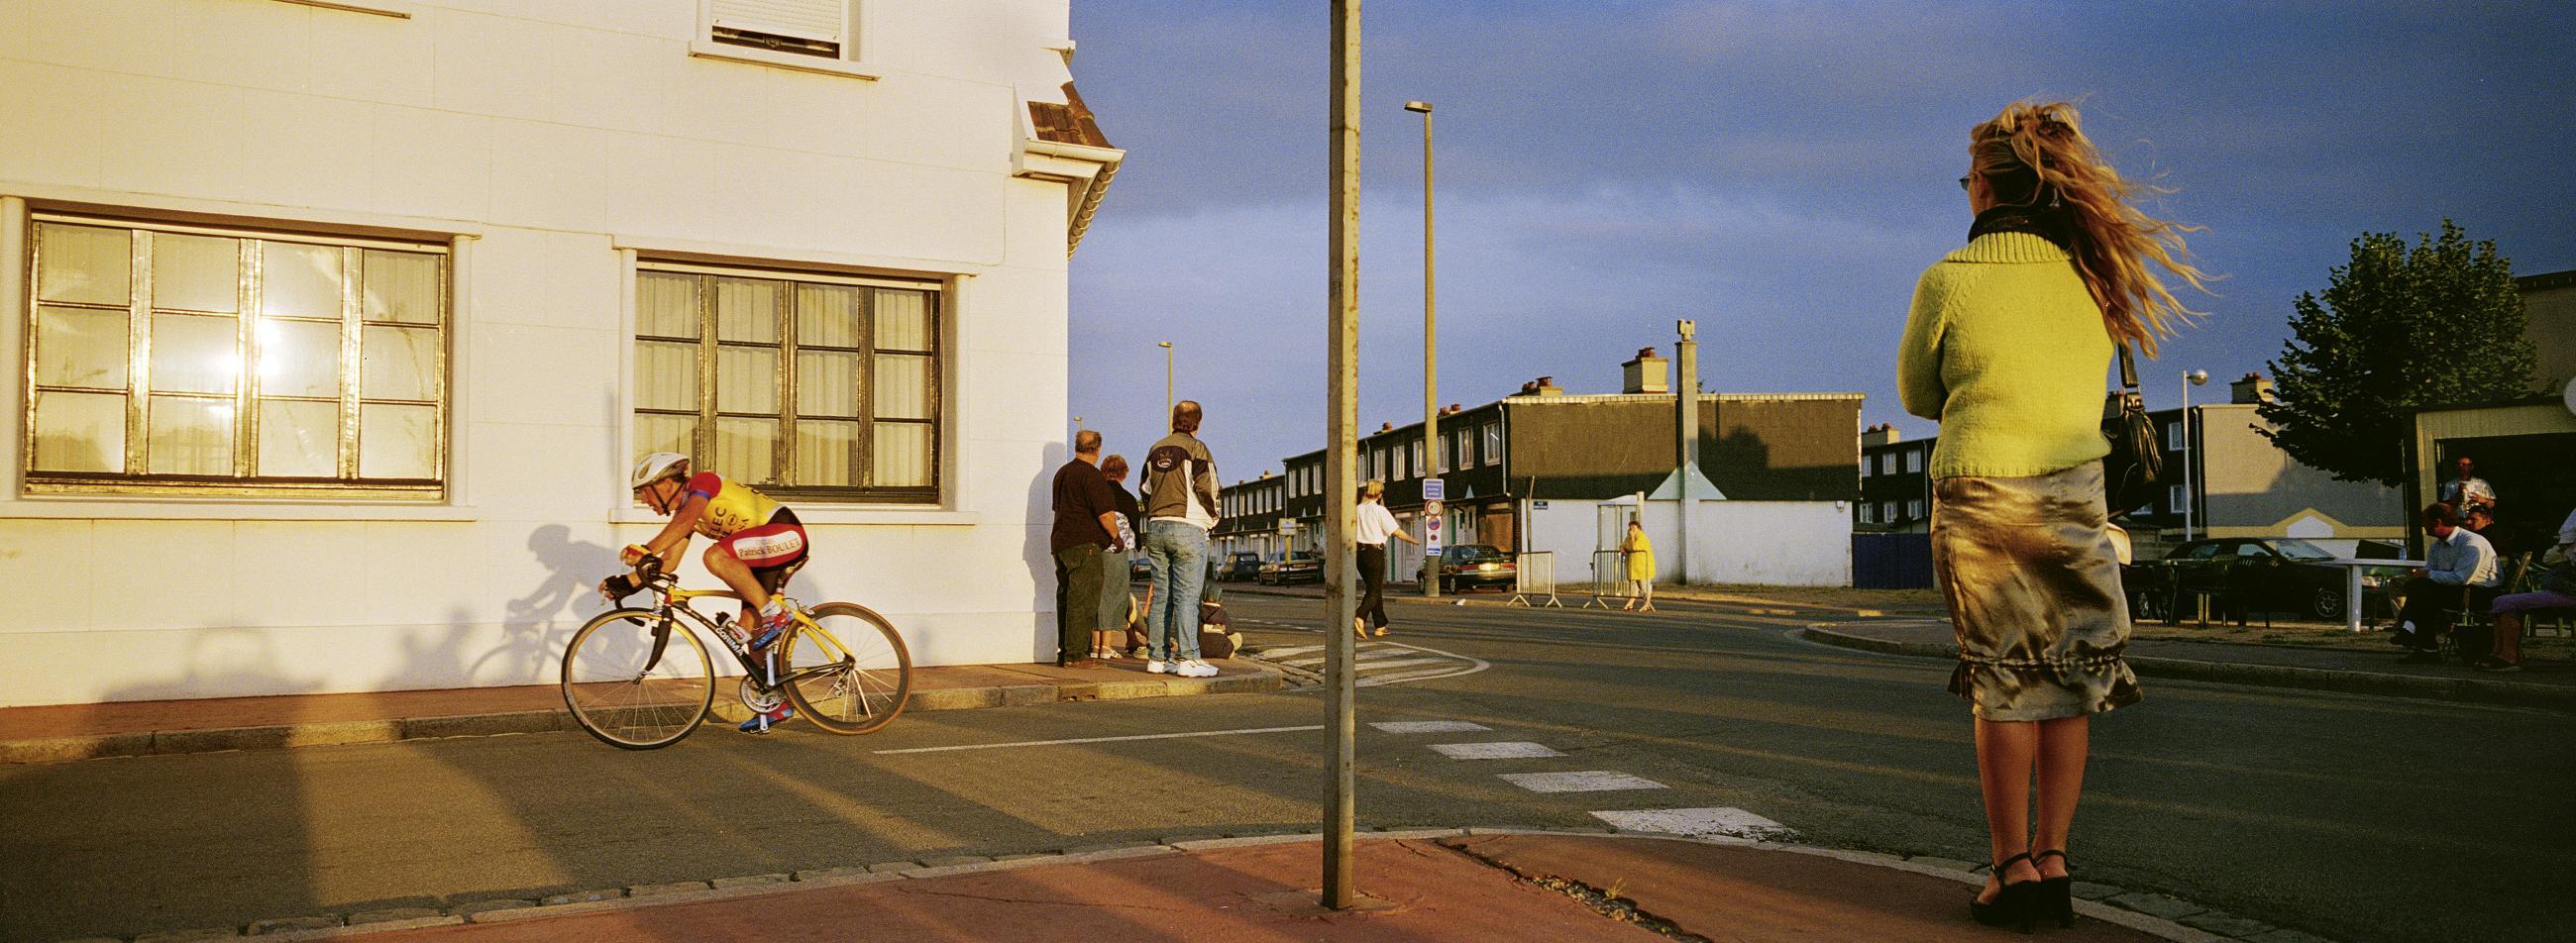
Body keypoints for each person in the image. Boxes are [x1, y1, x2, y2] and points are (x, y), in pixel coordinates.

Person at [1896, 100, 2211, 930]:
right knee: (2070, 679)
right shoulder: (2092, 280)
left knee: (2004, 681)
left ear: (1983, 187)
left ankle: (2011, 870)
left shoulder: (1948, 279)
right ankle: (2055, 860)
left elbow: (1918, 396)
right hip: (2075, 493)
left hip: (1981, 492)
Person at [614, 453, 811, 733]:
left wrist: (646, 549)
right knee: (751, 634)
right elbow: (668, 563)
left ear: (666, 484)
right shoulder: (686, 516)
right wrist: (626, 583)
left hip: (784, 535)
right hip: (760, 555)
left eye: (645, 492)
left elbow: (685, 521)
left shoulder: (702, 483)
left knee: (714, 557)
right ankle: (774, 702)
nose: (644, 500)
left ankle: (775, 613)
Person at [1142, 401, 1223, 679]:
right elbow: (1208, 487)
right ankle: (1188, 658)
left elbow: (1145, 489)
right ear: (1197, 423)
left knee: (1161, 596)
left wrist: (1156, 513)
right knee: (1187, 597)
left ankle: (1157, 658)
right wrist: (1213, 517)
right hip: (1188, 526)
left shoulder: (1154, 449)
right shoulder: (1197, 448)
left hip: (1156, 526)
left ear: (1174, 420)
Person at [1050, 430, 1126, 669]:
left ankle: (1065, 652)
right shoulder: (1092, 476)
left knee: (1067, 598)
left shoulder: (1062, 473)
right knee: (1083, 601)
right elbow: (1105, 514)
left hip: (1061, 544)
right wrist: (1116, 537)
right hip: (1085, 546)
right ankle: (1076, 656)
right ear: (1097, 449)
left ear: (1077, 447)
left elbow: (1058, 510)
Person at [2389, 502, 2501, 659]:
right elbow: (2430, 572)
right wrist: (2422, 575)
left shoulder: (2471, 543)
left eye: (2425, 522)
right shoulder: (2437, 546)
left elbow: (2461, 578)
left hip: (2479, 592)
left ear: (2437, 522)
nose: (2423, 526)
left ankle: (2413, 634)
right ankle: (2416, 637)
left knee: (2422, 590)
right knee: (2418, 588)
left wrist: (2427, 575)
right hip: (2453, 590)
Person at [2478, 508, 2576, 672]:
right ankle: (2499, 651)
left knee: (2506, 603)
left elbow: (2551, 557)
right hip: (2562, 589)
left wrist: (2564, 552)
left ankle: (2508, 656)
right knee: (2501, 601)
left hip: (2569, 592)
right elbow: (2549, 558)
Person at [1353, 480, 1419, 638]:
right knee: (1374, 590)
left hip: (1359, 554)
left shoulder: (1356, 509)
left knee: (1374, 589)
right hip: (1374, 553)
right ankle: (1359, 616)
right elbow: (1396, 531)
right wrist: (1413, 540)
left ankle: (1380, 625)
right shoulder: (1380, 511)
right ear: (1379, 494)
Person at [1096, 454, 1143, 660]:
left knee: (1096, 597)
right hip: (1117, 552)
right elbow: (1135, 526)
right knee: (1114, 597)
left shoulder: (1096, 494)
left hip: (1095, 551)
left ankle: (1095, 646)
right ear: (1124, 474)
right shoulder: (1127, 499)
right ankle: (1106, 647)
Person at [1619, 519, 1656, 612]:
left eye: (1634, 528)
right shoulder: (1628, 537)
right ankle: (1630, 603)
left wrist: (1632, 537)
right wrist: (1622, 548)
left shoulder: (1642, 537)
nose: (1632, 530)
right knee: (1633, 585)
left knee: (1644, 586)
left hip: (1643, 566)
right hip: (1633, 567)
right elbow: (1623, 545)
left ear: (1639, 528)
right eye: (1630, 528)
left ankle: (1647, 604)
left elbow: (1634, 548)